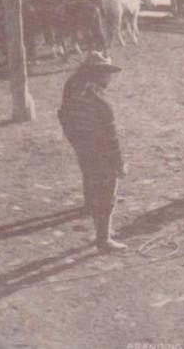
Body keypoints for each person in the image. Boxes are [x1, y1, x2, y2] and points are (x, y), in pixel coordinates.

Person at [57, 51, 128, 252]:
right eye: (107, 72)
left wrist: (75, 140)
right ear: (97, 73)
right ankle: (103, 240)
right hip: (99, 150)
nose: (110, 77)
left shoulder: (72, 86)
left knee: (88, 173)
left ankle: (89, 204)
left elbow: (62, 115)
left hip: (80, 143)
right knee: (107, 192)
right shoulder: (100, 101)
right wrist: (120, 164)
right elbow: (111, 138)